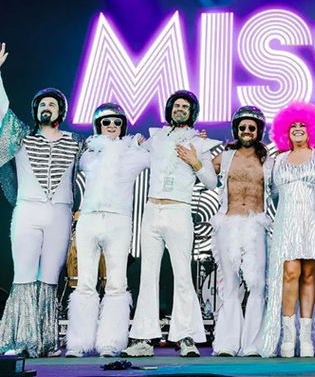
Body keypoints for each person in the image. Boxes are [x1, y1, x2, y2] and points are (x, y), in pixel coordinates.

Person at [121, 90, 219, 358]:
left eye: (185, 106)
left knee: (183, 275)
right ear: (169, 110)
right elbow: (132, 154)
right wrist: (135, 142)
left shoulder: (199, 143)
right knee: (147, 275)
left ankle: (185, 337)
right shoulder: (156, 138)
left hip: (179, 210)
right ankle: (143, 338)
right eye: (176, 105)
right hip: (152, 209)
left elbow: (212, 182)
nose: (180, 109)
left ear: (192, 112)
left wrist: (195, 162)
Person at [0, 43, 83, 357]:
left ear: (61, 111)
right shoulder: (21, 136)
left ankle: (45, 341)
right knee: (23, 276)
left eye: (52, 103)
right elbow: (1, 110)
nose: (47, 107)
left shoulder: (76, 141)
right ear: (35, 110)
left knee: (49, 278)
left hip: (60, 214)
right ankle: (19, 340)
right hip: (27, 211)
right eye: (42, 104)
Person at [255, 102, 315, 358]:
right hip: (287, 223)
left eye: (302, 125)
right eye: (293, 125)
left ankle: (306, 339)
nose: (297, 128)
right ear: (285, 131)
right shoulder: (277, 160)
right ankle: (288, 337)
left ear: (312, 130)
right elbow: (271, 194)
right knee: (290, 273)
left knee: (309, 275)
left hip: (314, 222)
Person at [65, 103, 150, 358]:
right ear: (98, 126)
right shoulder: (88, 155)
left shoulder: (135, 154)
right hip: (89, 219)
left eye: (117, 122)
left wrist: (142, 143)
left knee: (117, 283)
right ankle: (78, 343)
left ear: (123, 126)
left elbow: (162, 154)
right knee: (85, 282)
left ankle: (111, 343)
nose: (112, 126)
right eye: (106, 122)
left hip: (118, 221)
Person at [209, 106, 273, 357]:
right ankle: (227, 343)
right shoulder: (225, 157)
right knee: (230, 285)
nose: (247, 131)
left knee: (258, 286)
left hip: (256, 225)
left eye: (251, 127)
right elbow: (204, 175)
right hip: (228, 224)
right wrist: (197, 153)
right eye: (243, 127)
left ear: (259, 131)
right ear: (236, 130)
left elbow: (281, 188)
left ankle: (253, 345)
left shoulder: (268, 160)